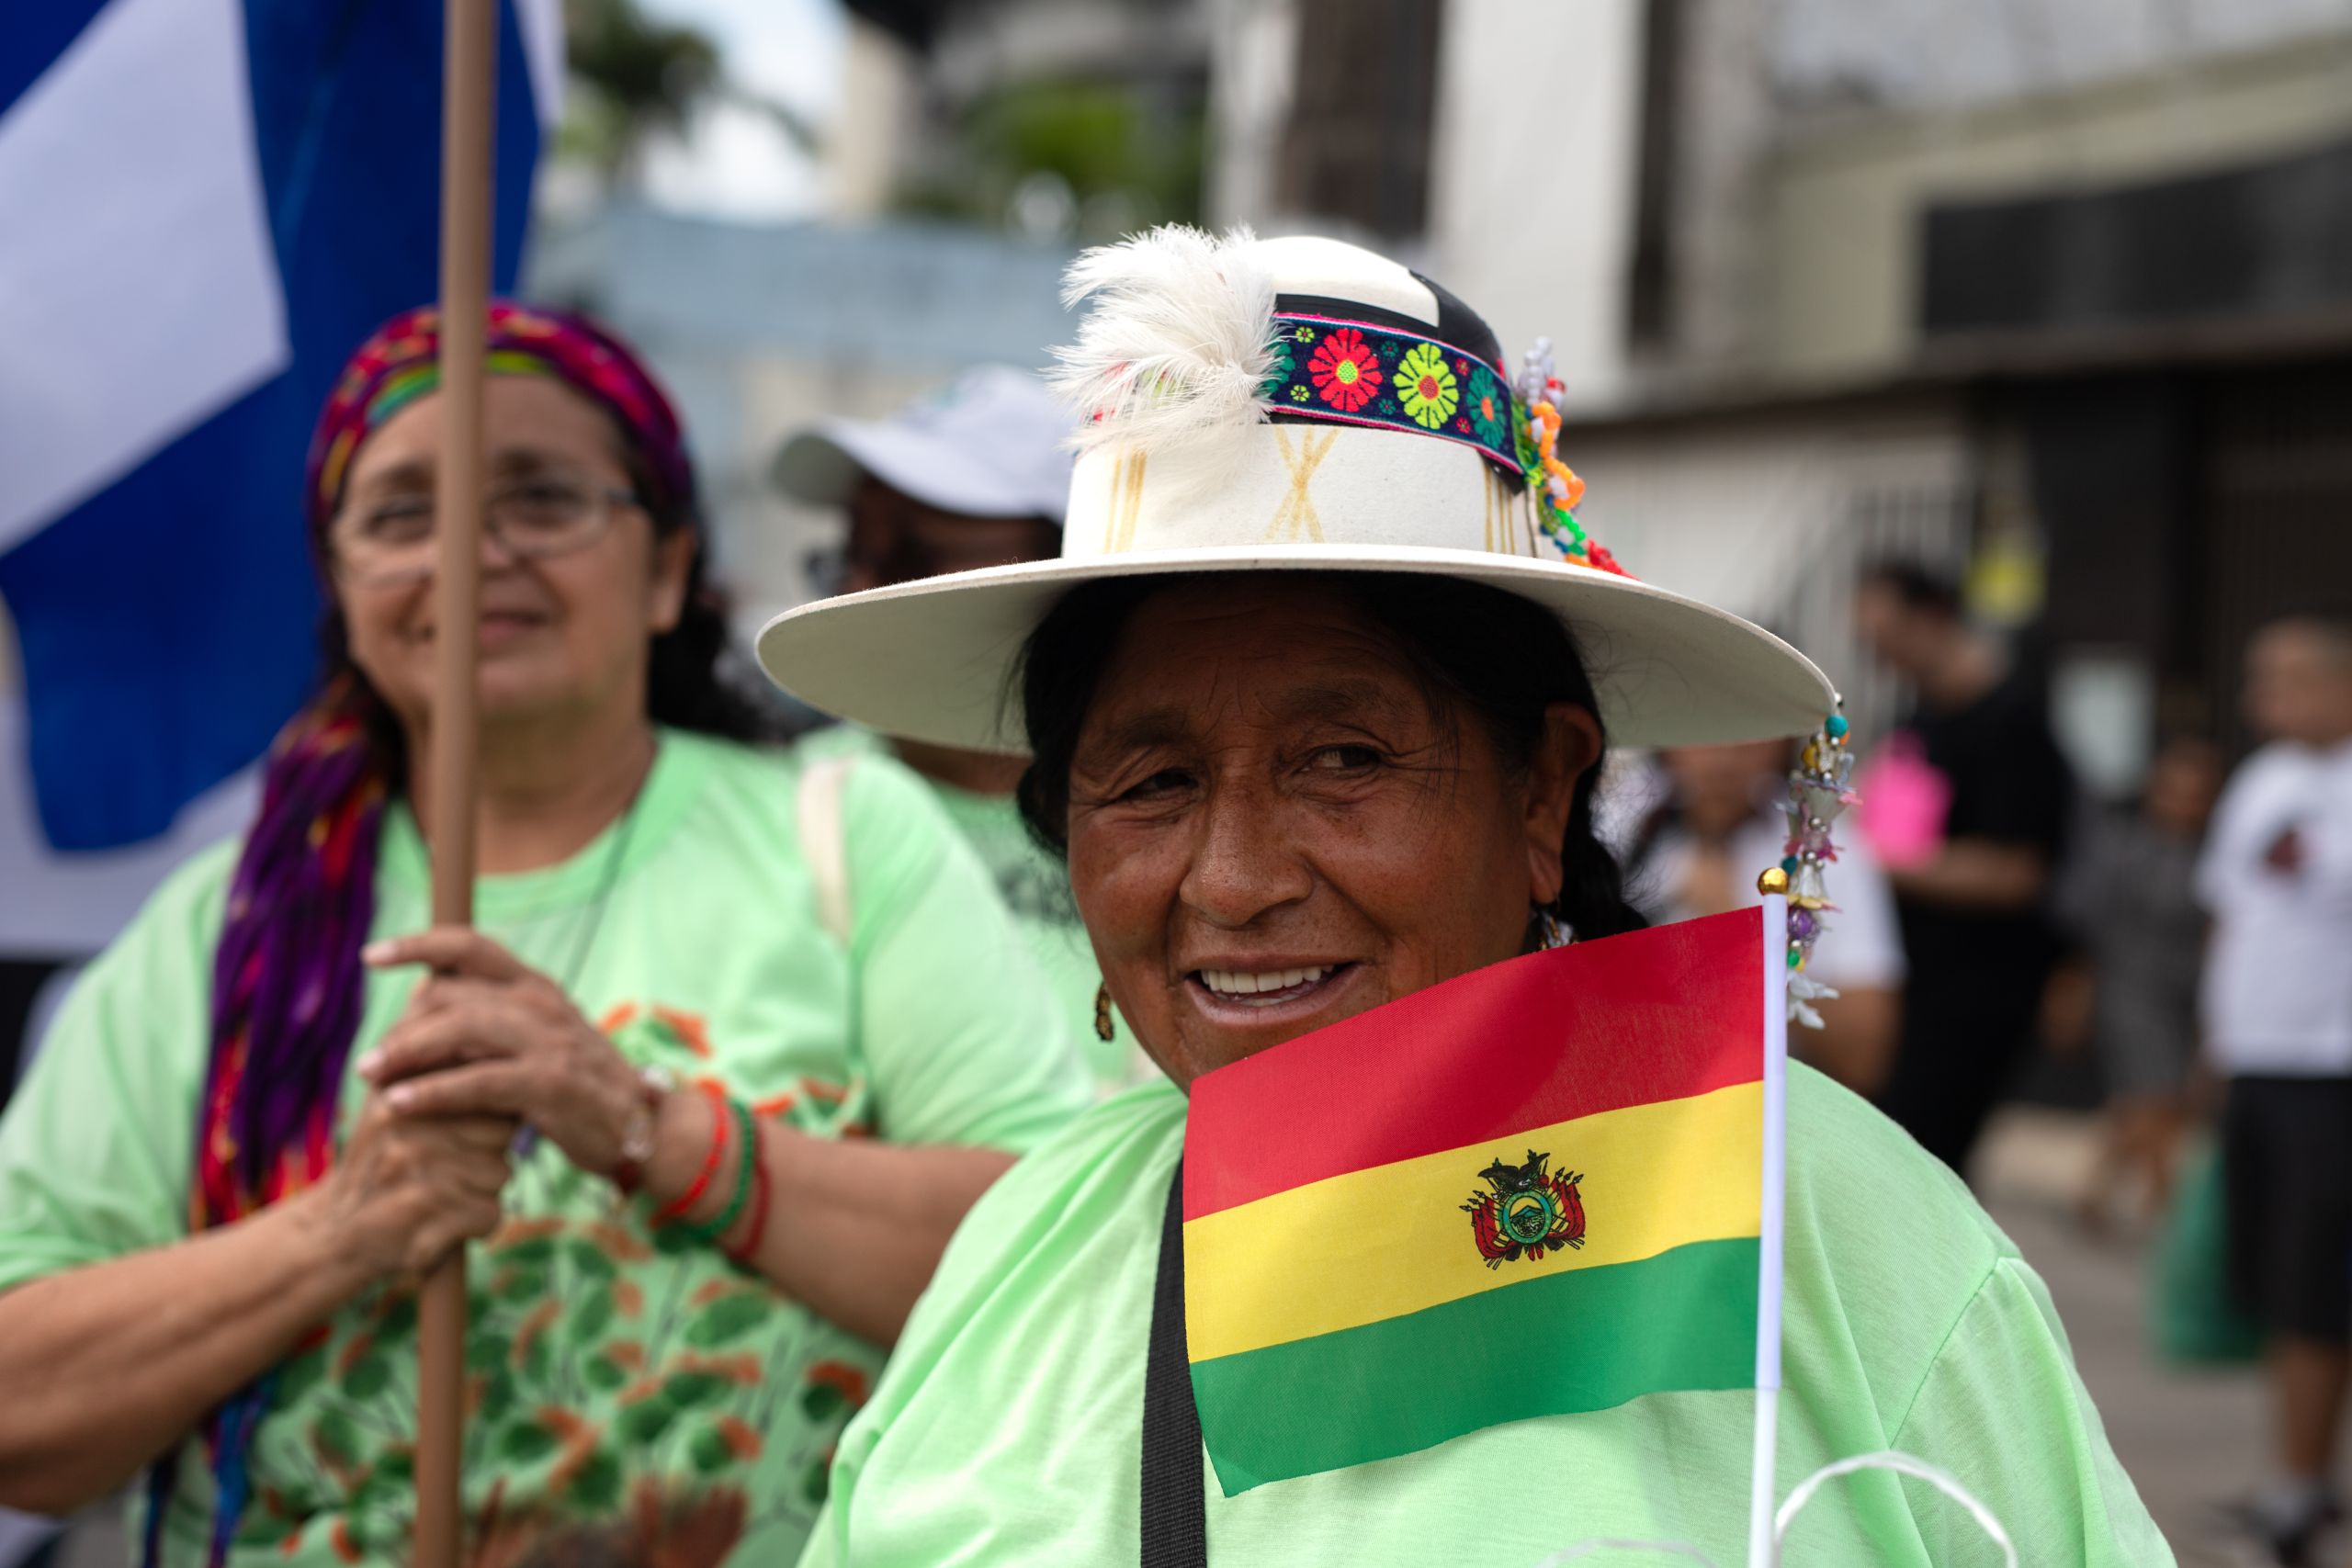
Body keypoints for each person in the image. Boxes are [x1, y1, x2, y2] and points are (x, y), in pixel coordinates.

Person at [752, 229, 2169, 1565]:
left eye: (1345, 759)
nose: (1234, 880)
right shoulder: (1026, 1248)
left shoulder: (1839, 1242)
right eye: (1151, 780)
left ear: (1543, 794)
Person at [0, 305, 1091, 1567]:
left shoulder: (842, 835)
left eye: (542, 496)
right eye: (403, 514)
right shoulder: (226, 926)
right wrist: (340, 1228)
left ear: (673, 565)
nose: (472, 554)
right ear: (343, 586)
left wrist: (648, 1125)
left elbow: (1045, 1271)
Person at [773, 368, 1143, 1089]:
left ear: (1066, 568)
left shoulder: (1161, 813)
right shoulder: (786, 803)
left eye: (914, 554)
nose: (857, 589)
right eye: (854, 549)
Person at [2197, 614, 2352, 1567]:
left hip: (2330, 1071)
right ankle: (2295, 1475)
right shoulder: (2260, 782)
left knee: (2313, 1292)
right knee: (2273, 1282)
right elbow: (2233, 923)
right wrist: (2206, 1059)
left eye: (2286, 678)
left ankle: (2296, 1493)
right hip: (2256, 1064)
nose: (2262, 697)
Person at [1852, 561, 2072, 1175]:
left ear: (1933, 617)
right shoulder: (1918, 722)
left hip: (1977, 993)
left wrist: (1878, 864)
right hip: (1909, 979)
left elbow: (2017, 872)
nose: (1876, 646)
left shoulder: (2013, 723)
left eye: (1885, 628)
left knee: (1924, 1163)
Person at [1612, 740, 1905, 1094]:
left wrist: (1741, 936)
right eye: (1706, 730)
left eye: (1749, 733)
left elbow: (1863, 1057)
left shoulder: (1826, 850)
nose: (1724, 756)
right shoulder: (1617, 823)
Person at [2051, 735, 2221, 1233]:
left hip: (2183, 996)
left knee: (2145, 1100)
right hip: (2128, 989)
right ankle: (2170, 1211)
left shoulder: (2211, 856)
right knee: (2155, 1098)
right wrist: (2074, 991)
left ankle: (2096, 1189)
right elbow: (2087, 926)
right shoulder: (2123, 849)